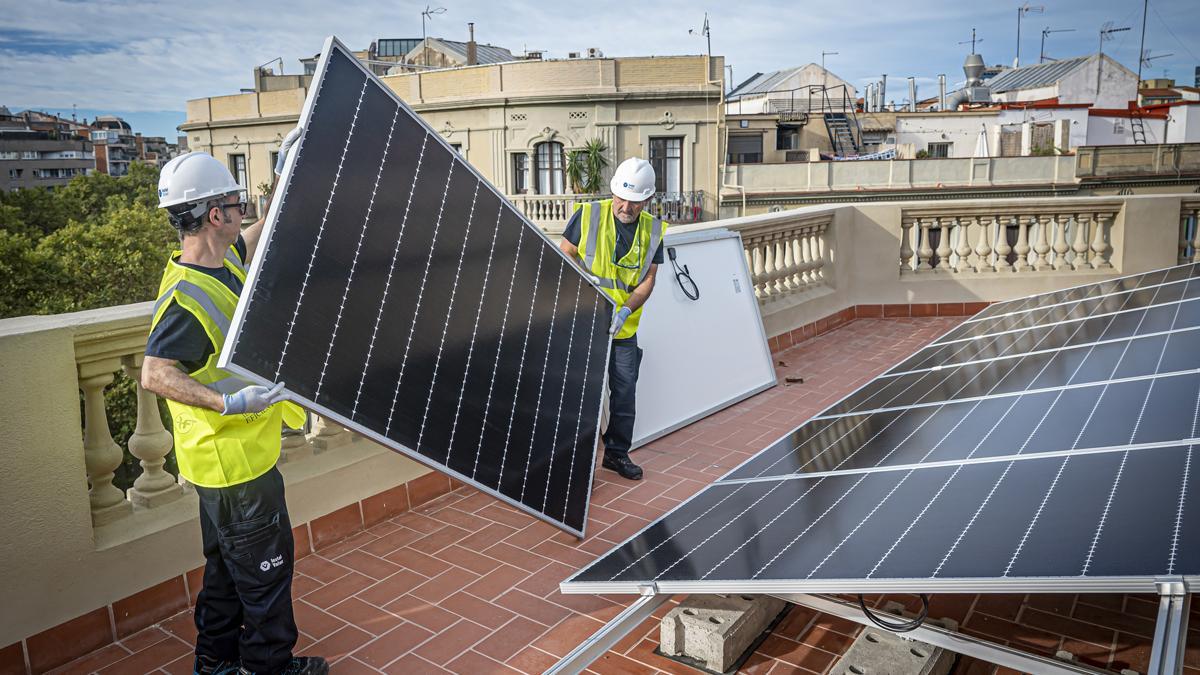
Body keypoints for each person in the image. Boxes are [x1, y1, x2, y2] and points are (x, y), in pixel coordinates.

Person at [141, 129, 327, 675]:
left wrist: (285, 170)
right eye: (234, 202)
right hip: (233, 462)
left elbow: (261, 231)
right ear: (214, 215)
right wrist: (229, 405)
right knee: (266, 573)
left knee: (225, 571)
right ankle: (269, 667)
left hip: (228, 463)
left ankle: (215, 664)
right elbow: (156, 374)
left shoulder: (224, 263)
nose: (241, 209)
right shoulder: (185, 297)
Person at [559, 157, 666, 481]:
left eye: (634, 202)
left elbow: (648, 278)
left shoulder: (652, 230)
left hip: (623, 329)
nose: (626, 207)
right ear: (613, 190)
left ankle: (617, 455)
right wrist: (584, 297)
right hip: (586, 324)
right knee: (582, 393)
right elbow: (564, 254)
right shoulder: (590, 215)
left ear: (646, 200)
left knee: (624, 392)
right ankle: (578, 464)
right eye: (621, 198)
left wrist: (625, 310)